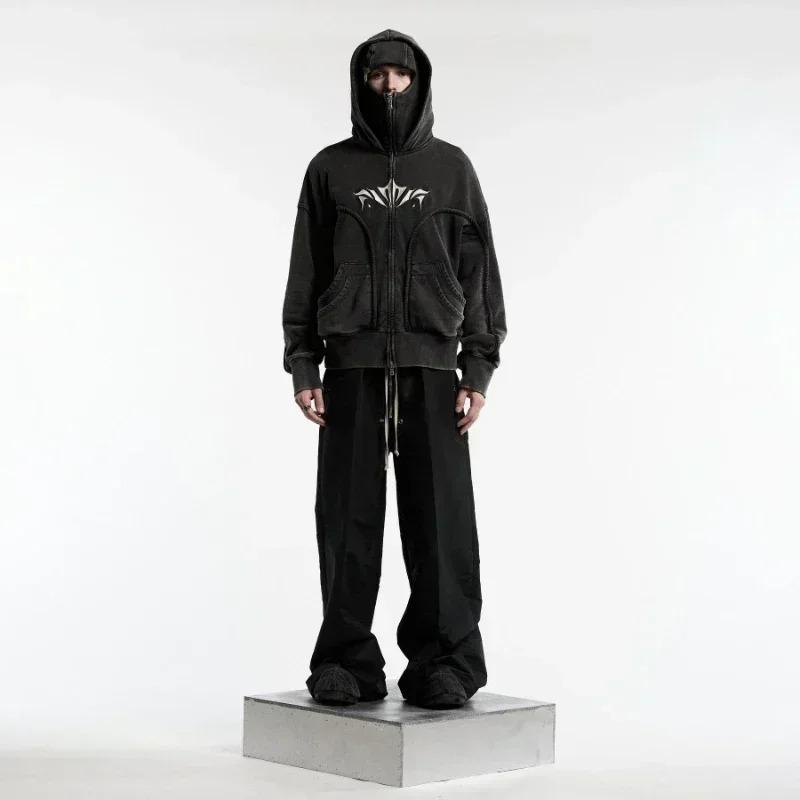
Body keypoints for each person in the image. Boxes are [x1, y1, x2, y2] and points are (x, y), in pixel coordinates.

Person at [281, 29, 507, 709]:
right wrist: (303, 363)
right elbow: (306, 270)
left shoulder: (452, 169)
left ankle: (447, 662)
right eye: (377, 75)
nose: (389, 86)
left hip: (433, 373)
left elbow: (480, 273)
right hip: (350, 370)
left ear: (419, 82)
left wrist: (477, 367)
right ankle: (346, 661)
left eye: (400, 76)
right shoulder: (329, 169)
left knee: (442, 522)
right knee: (346, 520)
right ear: (361, 81)